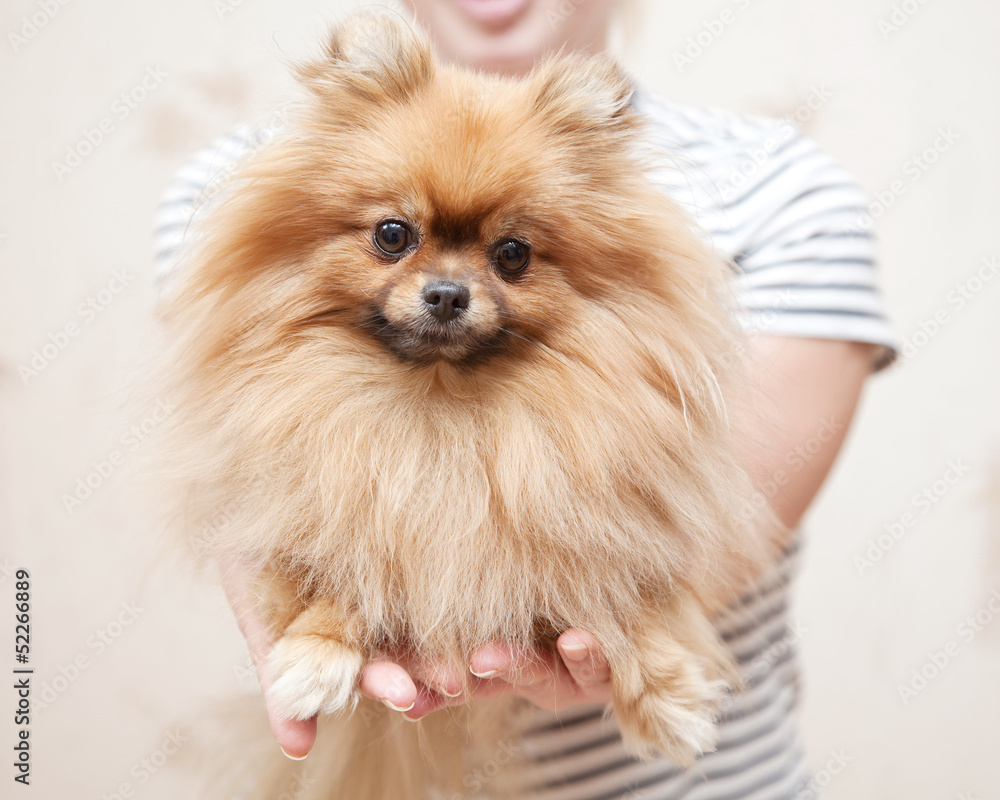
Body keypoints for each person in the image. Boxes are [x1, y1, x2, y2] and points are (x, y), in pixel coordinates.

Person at [154, 0, 896, 796]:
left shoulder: (786, 192)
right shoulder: (224, 185)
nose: (445, 287)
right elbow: (240, 468)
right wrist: (311, 591)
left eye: (511, 254)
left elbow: (692, 542)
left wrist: (622, 627)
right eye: (393, 238)